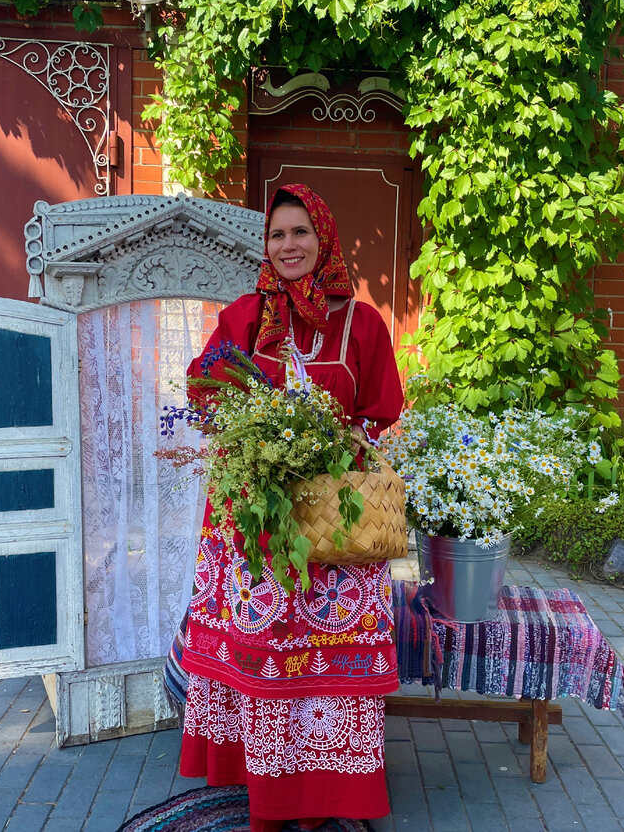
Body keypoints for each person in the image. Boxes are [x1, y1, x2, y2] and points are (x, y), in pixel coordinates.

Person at [177, 183, 404, 832]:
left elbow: (385, 414)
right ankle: (270, 796)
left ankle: (325, 798)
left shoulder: (361, 323)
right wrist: (249, 434)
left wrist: (336, 451)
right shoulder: (246, 316)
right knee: (265, 659)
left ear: (323, 238)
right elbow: (201, 386)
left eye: (300, 232)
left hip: (334, 523)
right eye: (277, 235)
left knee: (324, 664)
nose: (288, 245)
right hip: (256, 526)